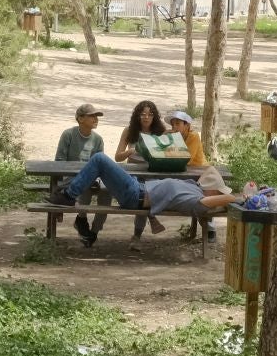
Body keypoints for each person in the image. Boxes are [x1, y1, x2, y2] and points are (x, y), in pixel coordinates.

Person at [50, 152, 249, 247]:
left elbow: (203, 205)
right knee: (99, 162)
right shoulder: (194, 187)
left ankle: (68, 195)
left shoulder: (195, 199)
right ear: (211, 189)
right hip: (136, 188)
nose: (218, 194)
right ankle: (67, 193)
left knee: (99, 159)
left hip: (135, 194)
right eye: (218, 191)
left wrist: (231, 197)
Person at [114, 101, 170, 238]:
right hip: (133, 172)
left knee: (148, 193)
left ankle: (137, 235)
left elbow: (168, 152)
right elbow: (117, 157)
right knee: (144, 195)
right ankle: (149, 221)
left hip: (152, 171)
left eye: (150, 114)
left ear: (154, 116)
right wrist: (130, 152)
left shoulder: (160, 130)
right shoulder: (129, 130)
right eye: (143, 114)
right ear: (137, 116)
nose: (146, 117)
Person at [55, 104, 108, 245]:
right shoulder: (68, 134)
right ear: (80, 119)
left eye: (97, 116)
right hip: (71, 179)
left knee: (107, 192)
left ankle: (94, 231)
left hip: (91, 179)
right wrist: (58, 187)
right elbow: (59, 161)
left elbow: (100, 164)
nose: (96, 119)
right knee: (84, 186)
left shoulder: (98, 139)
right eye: (92, 116)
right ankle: (82, 219)